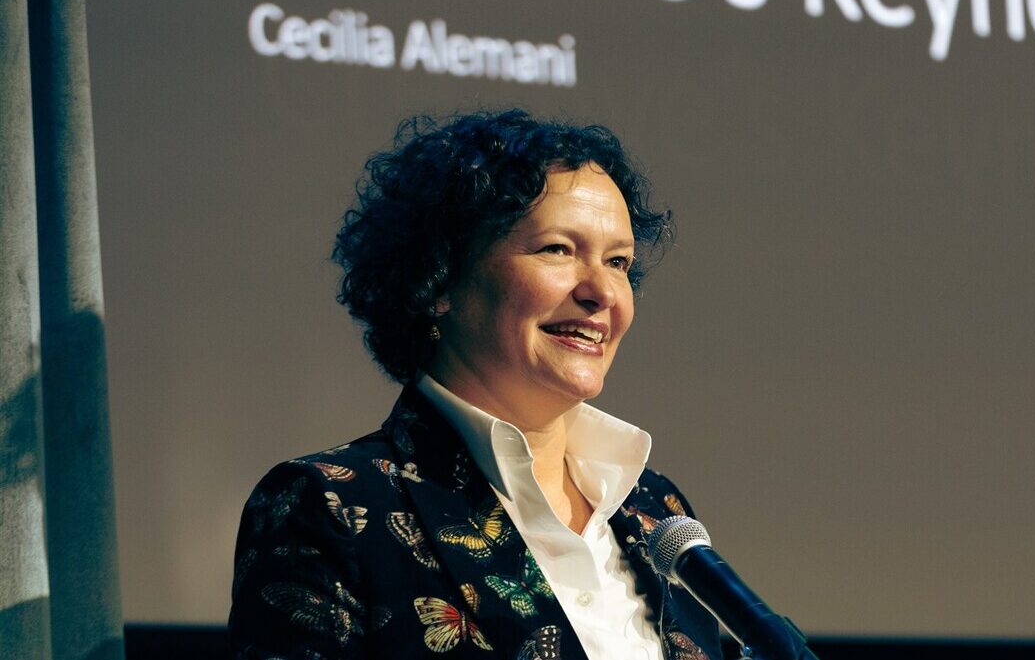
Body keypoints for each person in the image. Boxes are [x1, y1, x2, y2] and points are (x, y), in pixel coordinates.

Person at [229, 109, 722, 659]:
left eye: (618, 261)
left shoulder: (654, 506)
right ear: (439, 278)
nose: (602, 292)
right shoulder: (331, 506)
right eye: (557, 249)